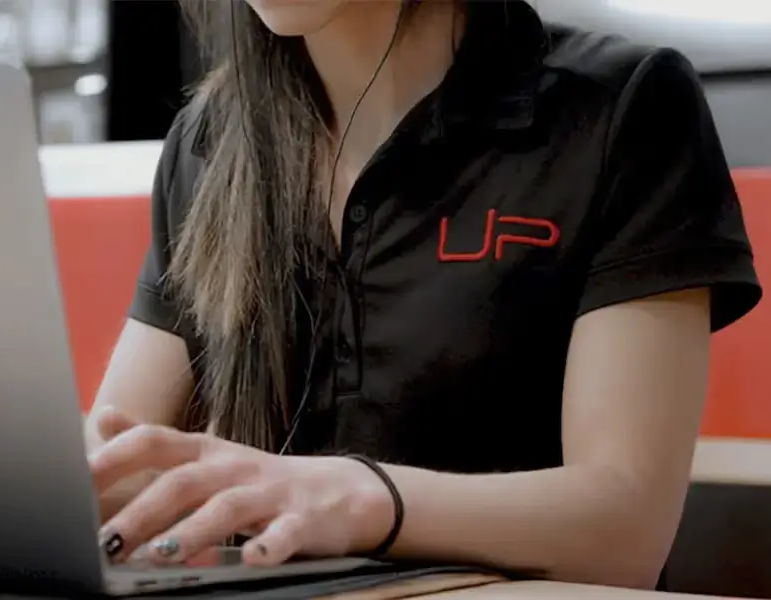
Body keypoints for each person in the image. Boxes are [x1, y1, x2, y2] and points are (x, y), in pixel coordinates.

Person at [83, 0, 762, 590]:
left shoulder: (621, 107)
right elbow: (113, 467)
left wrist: (362, 500)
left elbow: (624, 532)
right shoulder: (213, 140)